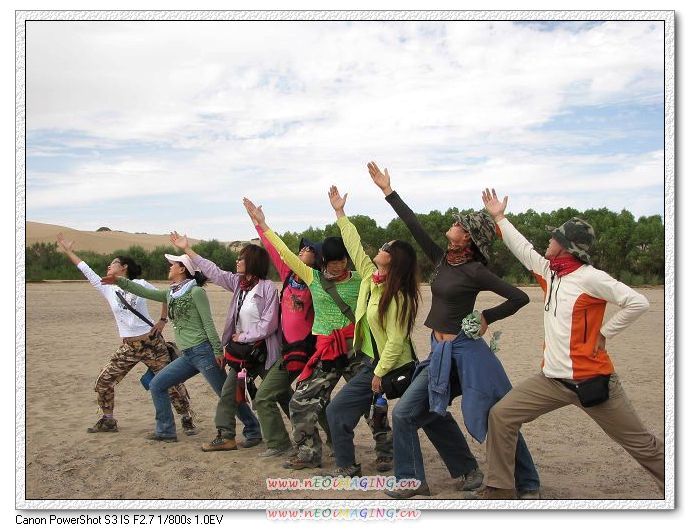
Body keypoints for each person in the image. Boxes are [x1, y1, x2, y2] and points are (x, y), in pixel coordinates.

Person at [367, 161, 540, 499]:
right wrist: (388, 191)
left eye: (460, 224)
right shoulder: (442, 261)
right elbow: (413, 224)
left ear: (468, 238)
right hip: (440, 353)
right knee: (405, 413)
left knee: (495, 415)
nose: (454, 224)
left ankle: (528, 483)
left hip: (469, 353)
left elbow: (519, 297)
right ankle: (413, 482)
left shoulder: (475, 271)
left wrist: (486, 316)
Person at [478, 188, 663, 499]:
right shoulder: (550, 273)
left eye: (554, 238)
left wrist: (605, 332)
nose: (548, 241)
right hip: (551, 380)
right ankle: (500, 490)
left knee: (641, 445)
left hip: (593, 383)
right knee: (501, 415)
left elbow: (637, 302)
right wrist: (499, 218)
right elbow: (522, 249)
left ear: (565, 246)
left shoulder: (591, 277)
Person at [244, 197, 393, 472]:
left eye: (342, 261)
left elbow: (357, 247)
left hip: (357, 350)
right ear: (324, 261)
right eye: (332, 262)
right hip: (325, 351)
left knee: (372, 402)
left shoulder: (362, 280)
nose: (338, 266)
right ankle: (309, 453)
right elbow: (284, 253)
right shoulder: (313, 278)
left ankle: (386, 452)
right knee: (301, 401)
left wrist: (340, 212)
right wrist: (263, 225)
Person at [102, 253, 261, 443]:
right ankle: (165, 431)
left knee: (225, 394)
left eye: (173, 264)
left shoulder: (196, 292)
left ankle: (253, 430)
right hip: (187, 355)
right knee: (157, 385)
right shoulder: (171, 293)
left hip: (203, 352)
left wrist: (218, 351)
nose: (170, 267)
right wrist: (119, 281)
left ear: (183, 269)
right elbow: (144, 292)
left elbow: (208, 323)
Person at [56, 233, 196, 435]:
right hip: (129, 346)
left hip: (151, 343)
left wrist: (162, 320)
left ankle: (186, 418)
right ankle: (108, 420)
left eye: (113, 263)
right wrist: (69, 251)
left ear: (124, 267)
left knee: (172, 383)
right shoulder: (107, 288)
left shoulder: (141, 284)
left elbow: (165, 296)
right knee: (104, 381)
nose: (108, 266)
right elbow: (85, 269)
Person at [324, 185, 418, 477]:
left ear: (395, 259)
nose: (381, 247)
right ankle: (347, 468)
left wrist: (379, 373)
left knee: (431, 418)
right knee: (337, 411)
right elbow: (354, 245)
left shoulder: (398, 295)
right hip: (372, 363)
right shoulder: (370, 278)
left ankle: (465, 469)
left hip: (398, 366)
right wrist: (340, 213)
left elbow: (396, 341)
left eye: (387, 247)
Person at [169, 234, 280, 452]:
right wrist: (188, 249)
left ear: (253, 262)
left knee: (282, 396)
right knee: (228, 395)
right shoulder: (239, 283)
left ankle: (309, 436)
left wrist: (244, 336)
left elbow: (269, 324)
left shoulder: (267, 288)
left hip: (264, 352)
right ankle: (226, 436)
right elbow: (214, 271)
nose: (237, 261)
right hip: (243, 355)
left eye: (242, 258)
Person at [243, 204, 321, 458]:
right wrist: (258, 223)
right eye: (302, 248)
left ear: (317, 259)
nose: (303, 251)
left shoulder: (317, 282)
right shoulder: (288, 275)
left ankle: (281, 444)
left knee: (269, 396)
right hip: (289, 352)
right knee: (305, 400)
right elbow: (275, 249)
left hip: (308, 351)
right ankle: (288, 442)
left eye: (309, 250)